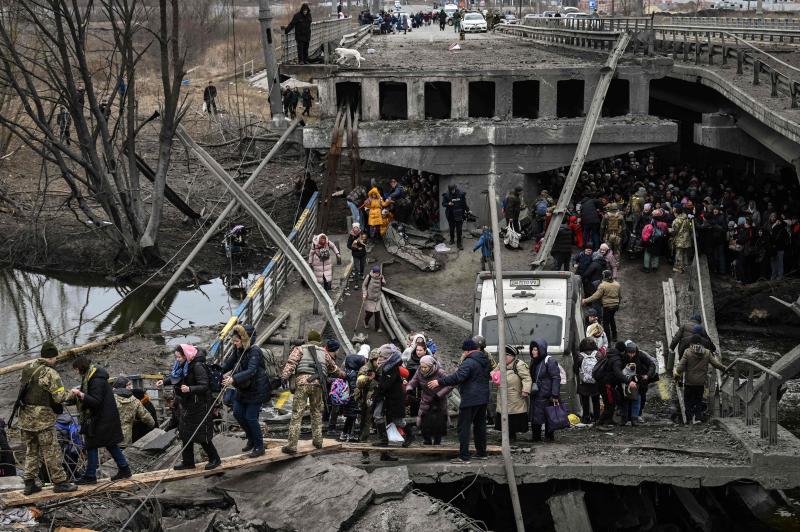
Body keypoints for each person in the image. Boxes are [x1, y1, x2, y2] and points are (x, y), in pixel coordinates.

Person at [17, 342, 77, 495]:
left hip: (25, 419)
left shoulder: (28, 367)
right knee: (52, 451)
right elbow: (59, 397)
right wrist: (73, 392)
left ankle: (29, 484)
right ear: (50, 357)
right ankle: (60, 482)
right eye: (55, 357)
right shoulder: (50, 373)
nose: (56, 360)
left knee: (31, 450)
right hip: (42, 420)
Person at [428, 339, 490, 464]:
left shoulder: (469, 362)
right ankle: (481, 453)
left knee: (464, 427)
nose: (463, 354)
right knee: (480, 426)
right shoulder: (484, 360)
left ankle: (464, 456)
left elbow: (458, 377)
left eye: (464, 352)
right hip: (483, 398)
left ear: (467, 351)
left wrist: (439, 382)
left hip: (470, 399)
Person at [71, 356, 132, 483]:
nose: (76, 372)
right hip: (104, 417)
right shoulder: (91, 376)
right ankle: (124, 469)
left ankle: (90, 475)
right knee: (110, 444)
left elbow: (96, 401)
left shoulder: (95, 379)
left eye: (76, 369)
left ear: (81, 367)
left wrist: (80, 394)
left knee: (92, 444)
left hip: (101, 418)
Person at [281, 333, 345, 454]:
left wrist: (284, 377)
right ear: (319, 341)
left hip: (302, 384)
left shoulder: (299, 349)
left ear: (308, 339)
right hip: (318, 385)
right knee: (316, 413)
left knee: (297, 414)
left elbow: (291, 364)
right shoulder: (324, 352)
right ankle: (318, 441)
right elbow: (333, 368)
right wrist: (343, 374)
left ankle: (292, 445)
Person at [167, 345, 221, 471]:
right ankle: (188, 462)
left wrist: (190, 389)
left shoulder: (197, 366)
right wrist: (164, 381)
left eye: (179, 357)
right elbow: (177, 378)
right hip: (188, 404)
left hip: (200, 405)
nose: (177, 360)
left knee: (202, 434)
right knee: (185, 433)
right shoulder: (184, 365)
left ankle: (215, 459)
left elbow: (204, 385)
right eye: (176, 357)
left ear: (186, 356)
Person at [221, 325, 270, 457]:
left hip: (257, 390)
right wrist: (217, 373)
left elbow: (251, 370)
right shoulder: (238, 349)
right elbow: (228, 364)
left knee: (251, 417)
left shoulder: (255, 351)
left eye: (236, 341)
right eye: (233, 341)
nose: (234, 344)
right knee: (237, 413)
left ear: (244, 339)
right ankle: (251, 439)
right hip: (243, 388)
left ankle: (259, 447)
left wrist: (233, 379)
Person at [674, 335, 727, 424]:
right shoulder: (707, 352)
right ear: (701, 343)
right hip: (700, 383)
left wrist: (676, 378)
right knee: (698, 401)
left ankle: (689, 420)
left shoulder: (687, 352)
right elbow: (715, 364)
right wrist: (724, 368)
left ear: (691, 343)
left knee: (688, 401)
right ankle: (698, 418)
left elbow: (680, 368)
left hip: (689, 383)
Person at [372, 345, 414, 447]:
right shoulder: (386, 367)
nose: (380, 358)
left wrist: (377, 389)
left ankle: (410, 435)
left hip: (393, 399)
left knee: (398, 420)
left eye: (382, 357)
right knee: (377, 416)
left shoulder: (392, 369)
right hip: (386, 398)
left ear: (389, 358)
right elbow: (384, 383)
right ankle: (383, 439)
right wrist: (377, 377)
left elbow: (386, 385)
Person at [406, 355, 452, 445]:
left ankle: (437, 442)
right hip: (426, 399)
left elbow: (450, 384)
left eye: (425, 367)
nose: (423, 369)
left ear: (431, 366)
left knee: (437, 423)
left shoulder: (440, 372)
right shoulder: (419, 371)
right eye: (422, 367)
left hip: (439, 400)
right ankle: (427, 441)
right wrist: (409, 388)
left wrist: (439, 395)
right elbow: (413, 381)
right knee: (422, 422)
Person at [612, 342, 655, 426]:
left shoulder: (641, 355)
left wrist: (647, 375)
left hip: (638, 380)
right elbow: (618, 370)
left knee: (636, 398)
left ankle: (634, 418)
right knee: (625, 399)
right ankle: (625, 418)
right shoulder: (622, 358)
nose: (631, 355)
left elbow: (651, 364)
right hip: (625, 381)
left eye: (633, 353)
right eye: (629, 353)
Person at [494, 346, 531, 441]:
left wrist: (525, 390)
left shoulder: (519, 365)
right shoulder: (500, 364)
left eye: (507, 355)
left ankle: (511, 436)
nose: (504, 357)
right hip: (502, 395)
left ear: (513, 356)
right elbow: (494, 373)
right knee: (503, 415)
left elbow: (527, 378)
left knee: (512, 416)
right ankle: (505, 436)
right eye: (503, 355)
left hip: (514, 396)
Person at [528, 339, 561, 442]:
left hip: (547, 395)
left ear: (541, 350)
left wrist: (555, 395)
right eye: (532, 349)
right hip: (536, 394)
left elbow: (556, 377)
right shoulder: (534, 361)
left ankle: (549, 436)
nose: (533, 352)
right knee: (535, 416)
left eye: (535, 349)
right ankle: (536, 437)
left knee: (549, 416)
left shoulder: (549, 361)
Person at [112, 377, 155, 447]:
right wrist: (152, 424)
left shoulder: (110, 398)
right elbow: (145, 416)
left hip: (110, 436)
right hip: (126, 437)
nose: (130, 387)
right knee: (123, 455)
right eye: (128, 385)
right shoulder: (134, 400)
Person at [582, 270, 621, 342]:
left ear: (604, 276)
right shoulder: (617, 284)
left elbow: (595, 296)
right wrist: (618, 304)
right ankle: (615, 336)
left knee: (605, 323)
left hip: (607, 306)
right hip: (615, 306)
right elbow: (619, 296)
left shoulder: (603, 285)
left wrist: (585, 300)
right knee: (612, 319)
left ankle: (608, 340)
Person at [338, 354, 366, 441]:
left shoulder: (347, 371)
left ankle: (344, 434)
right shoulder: (353, 373)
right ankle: (350, 434)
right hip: (352, 398)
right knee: (352, 417)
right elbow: (354, 387)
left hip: (347, 397)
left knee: (350, 417)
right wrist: (357, 396)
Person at [575, 338, 601, 424]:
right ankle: (597, 418)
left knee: (585, 401)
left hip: (584, 383)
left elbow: (575, 369)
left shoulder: (579, 355)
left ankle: (586, 418)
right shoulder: (598, 354)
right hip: (596, 382)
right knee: (596, 401)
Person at [442, 183, 468, 250]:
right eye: (451, 190)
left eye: (453, 189)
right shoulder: (447, 195)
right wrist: (448, 204)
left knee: (459, 230)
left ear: (455, 188)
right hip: (451, 215)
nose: (452, 191)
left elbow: (464, 204)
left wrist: (468, 210)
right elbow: (443, 204)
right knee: (451, 228)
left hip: (459, 214)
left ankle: (459, 244)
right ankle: (452, 239)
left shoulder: (461, 194)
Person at [362, 265, 385, 332]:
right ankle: (365, 322)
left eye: (378, 273)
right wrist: (364, 294)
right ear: (373, 272)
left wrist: (383, 282)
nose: (376, 274)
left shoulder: (381, 277)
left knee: (377, 314)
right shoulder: (369, 277)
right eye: (375, 273)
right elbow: (364, 286)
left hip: (377, 298)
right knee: (370, 313)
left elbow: (383, 284)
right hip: (369, 298)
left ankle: (377, 328)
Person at [670, 206, 693, 273]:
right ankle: (685, 266)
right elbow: (690, 228)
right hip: (687, 239)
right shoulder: (687, 219)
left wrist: (669, 230)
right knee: (685, 253)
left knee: (679, 254)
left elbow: (674, 231)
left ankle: (678, 268)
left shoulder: (677, 220)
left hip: (680, 240)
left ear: (676, 213)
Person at [768, 213, 789, 280]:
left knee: (779, 262)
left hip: (779, 247)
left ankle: (780, 276)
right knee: (773, 263)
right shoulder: (769, 226)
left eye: (774, 217)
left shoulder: (781, 227)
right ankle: (774, 275)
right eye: (772, 216)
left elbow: (786, 235)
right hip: (771, 247)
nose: (773, 218)